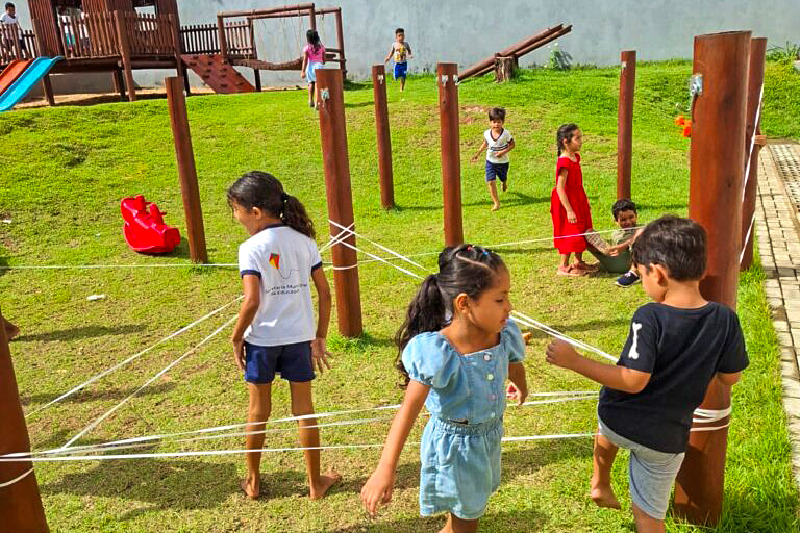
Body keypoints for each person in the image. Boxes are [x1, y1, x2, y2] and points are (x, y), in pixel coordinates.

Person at [545, 216, 749, 533]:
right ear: (701, 269)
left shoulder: (649, 315)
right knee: (650, 519)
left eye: (641, 276)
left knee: (606, 423)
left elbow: (633, 379)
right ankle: (602, 485)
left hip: (619, 421)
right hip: (667, 438)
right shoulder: (725, 318)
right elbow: (730, 377)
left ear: (658, 272)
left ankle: (600, 481)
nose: (643, 283)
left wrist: (574, 361)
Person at [361, 245, 529, 533]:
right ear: (464, 303)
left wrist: (520, 384)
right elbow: (407, 412)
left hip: (487, 440)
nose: (509, 307)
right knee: (466, 522)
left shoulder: (503, 333)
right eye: (500, 299)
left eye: (507, 296)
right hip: (455, 452)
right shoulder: (438, 352)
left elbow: (513, 362)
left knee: (466, 514)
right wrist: (385, 469)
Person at [227, 171, 340, 501]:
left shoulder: (250, 248)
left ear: (255, 212)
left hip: (261, 342)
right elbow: (325, 293)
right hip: (299, 340)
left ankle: (252, 482)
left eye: (236, 210)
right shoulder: (305, 242)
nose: (235, 218)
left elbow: (252, 301)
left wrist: (236, 337)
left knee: (257, 412)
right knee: (304, 410)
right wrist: (319, 336)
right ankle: (315, 483)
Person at [551, 123, 596, 276]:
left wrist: (584, 199)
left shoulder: (575, 157)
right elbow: (560, 188)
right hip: (566, 202)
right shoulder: (564, 162)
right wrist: (569, 210)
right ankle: (563, 266)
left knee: (582, 227)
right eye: (577, 138)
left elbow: (577, 183)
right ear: (566, 141)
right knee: (570, 231)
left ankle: (578, 261)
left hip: (578, 198)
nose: (581, 141)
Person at [585, 198, 643, 286]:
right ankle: (602, 254)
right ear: (616, 221)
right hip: (616, 262)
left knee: (639, 238)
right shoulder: (616, 234)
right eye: (623, 220)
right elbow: (613, 245)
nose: (628, 222)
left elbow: (645, 232)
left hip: (632, 263)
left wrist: (624, 246)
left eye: (631, 217)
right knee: (589, 236)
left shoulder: (641, 228)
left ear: (636, 216)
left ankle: (633, 271)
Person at [471, 107, 515, 211]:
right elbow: (485, 143)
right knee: (491, 181)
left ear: (503, 122)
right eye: (494, 122)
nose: (496, 124)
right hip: (490, 161)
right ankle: (496, 203)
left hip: (503, 162)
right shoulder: (486, 133)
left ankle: (504, 182)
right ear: (490, 122)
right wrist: (477, 154)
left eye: (499, 122)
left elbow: (513, 145)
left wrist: (502, 152)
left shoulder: (506, 134)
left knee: (503, 177)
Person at [301, 29, 326, 109]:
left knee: (310, 83)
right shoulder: (321, 47)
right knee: (318, 84)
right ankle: (317, 102)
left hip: (310, 66)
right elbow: (324, 59)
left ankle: (310, 100)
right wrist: (323, 62)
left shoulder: (306, 48)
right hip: (319, 66)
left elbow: (305, 60)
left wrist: (303, 71)